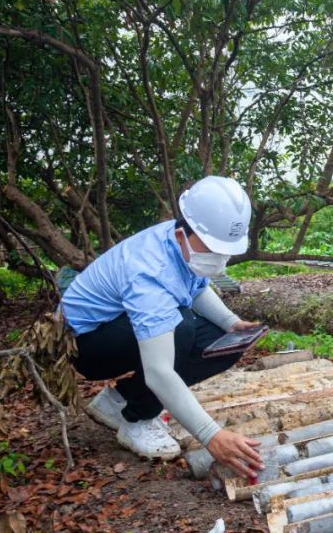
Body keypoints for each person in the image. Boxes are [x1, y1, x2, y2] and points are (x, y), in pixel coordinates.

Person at [61, 176, 265, 479]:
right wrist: (212, 435)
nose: (219, 258)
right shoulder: (149, 271)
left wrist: (231, 323)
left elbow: (196, 288)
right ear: (184, 233)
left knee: (223, 340)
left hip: (119, 328)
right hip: (87, 344)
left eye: (225, 251)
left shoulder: (180, 243)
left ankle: (117, 401)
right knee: (180, 326)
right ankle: (137, 420)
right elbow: (159, 370)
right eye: (212, 248)